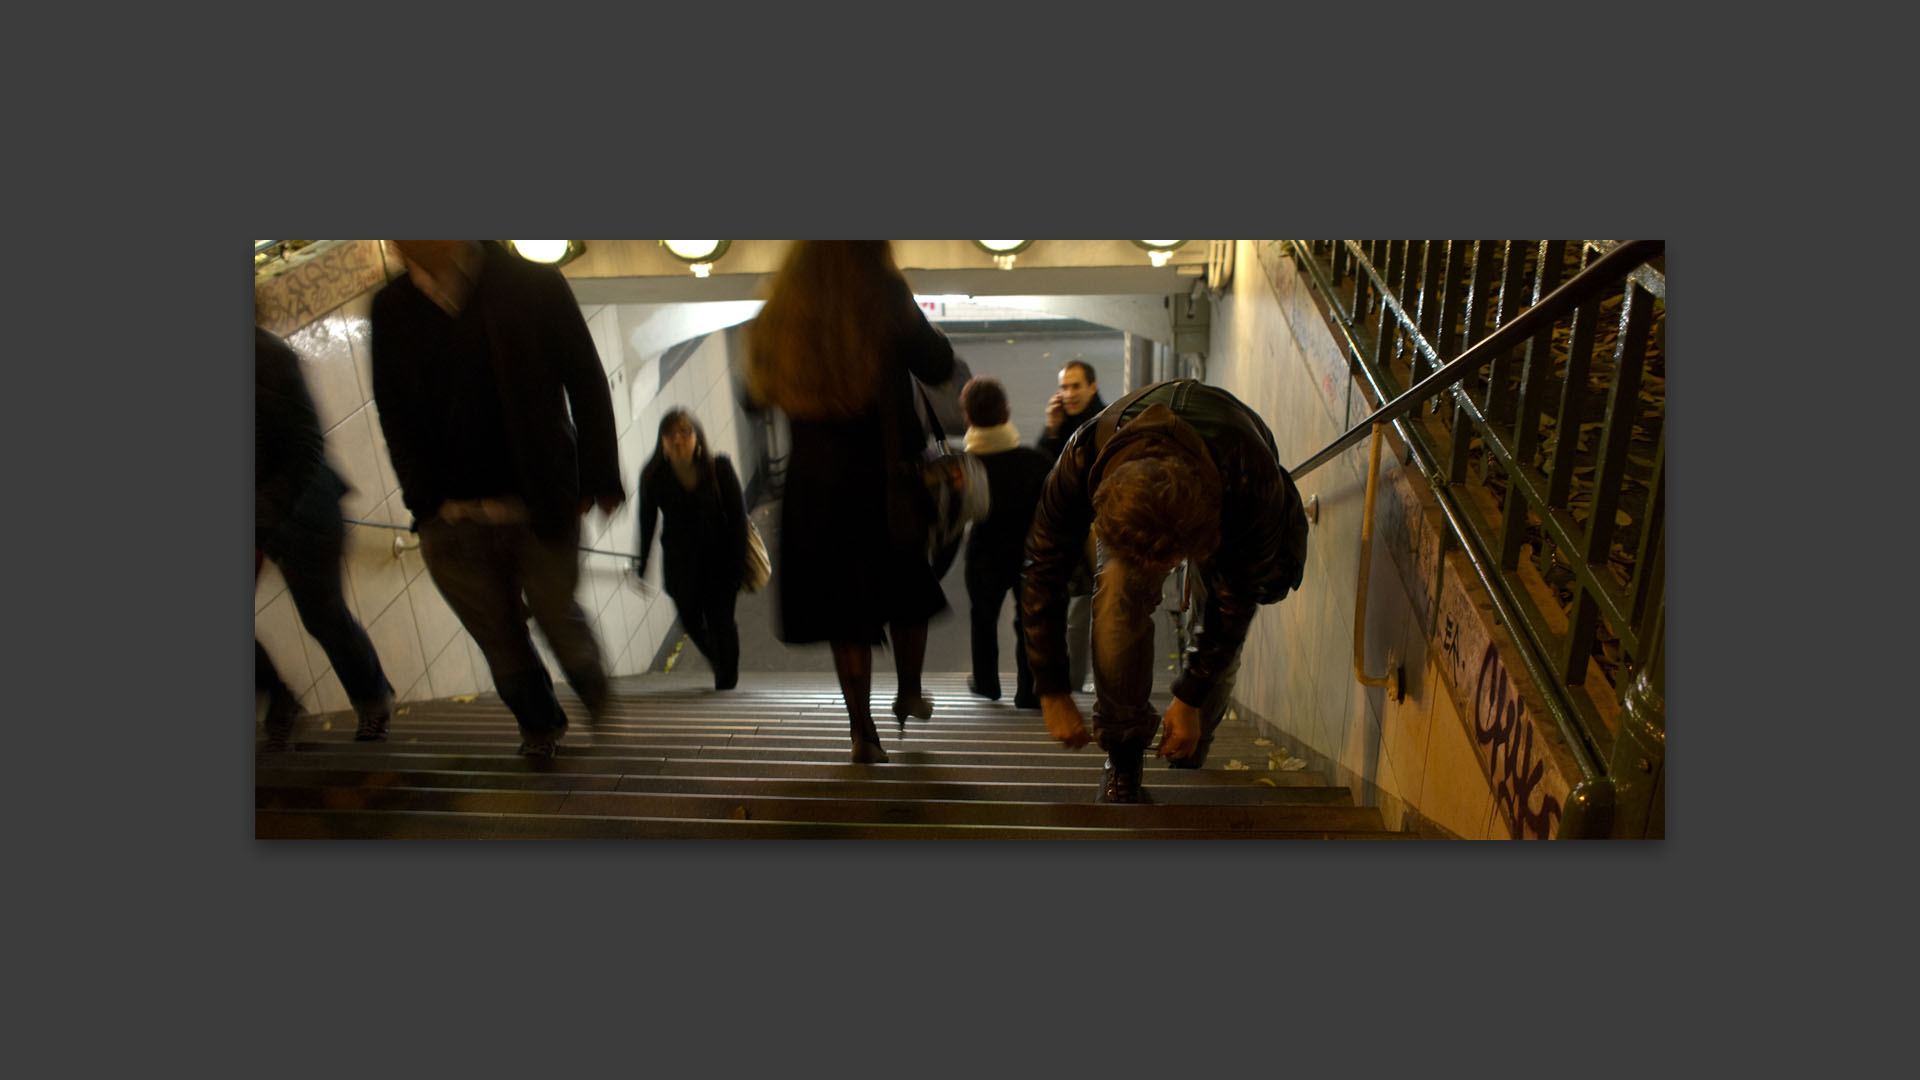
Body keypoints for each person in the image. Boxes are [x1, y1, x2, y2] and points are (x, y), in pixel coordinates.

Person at [370, 240, 625, 759]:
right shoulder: (392, 307)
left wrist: (599, 476)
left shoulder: (531, 283)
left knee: (557, 615)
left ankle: (596, 696)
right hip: (450, 517)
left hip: (538, 502)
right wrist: (422, 498)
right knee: (499, 637)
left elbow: (586, 378)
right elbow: (393, 408)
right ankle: (539, 726)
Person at [1022, 379, 1310, 803]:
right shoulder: (1081, 457)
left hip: (1228, 482)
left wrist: (1191, 698)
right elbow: (1042, 572)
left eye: (1174, 561)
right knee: (1119, 595)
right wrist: (1050, 688)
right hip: (1146, 477)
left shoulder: (1251, 478)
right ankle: (1123, 754)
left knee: (1218, 609)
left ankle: (1191, 747)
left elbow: (1236, 603)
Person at [745, 241, 954, 765]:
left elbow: (754, 395)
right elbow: (937, 364)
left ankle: (862, 734)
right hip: (883, 480)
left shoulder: (783, 301)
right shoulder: (882, 291)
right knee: (906, 591)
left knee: (846, 613)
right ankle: (908, 692)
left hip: (816, 485)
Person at [255, 327, 395, 752]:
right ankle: (279, 698)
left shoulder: (266, 354)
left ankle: (372, 701)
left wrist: (263, 509)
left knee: (324, 617)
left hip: (304, 513)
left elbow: (306, 443)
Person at [632, 409, 748, 691]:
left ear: (698, 438)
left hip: (720, 565)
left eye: (686, 432)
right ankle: (721, 660)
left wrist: (738, 565)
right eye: (672, 434)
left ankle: (726, 681)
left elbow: (738, 520)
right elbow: (647, 522)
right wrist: (642, 563)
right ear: (662, 442)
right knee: (692, 622)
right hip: (681, 566)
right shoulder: (654, 477)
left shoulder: (718, 468)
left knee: (722, 625)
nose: (679, 439)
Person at [957, 377, 1052, 708]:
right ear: (1007, 412)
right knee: (1029, 620)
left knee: (982, 617)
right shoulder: (1035, 461)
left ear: (967, 417)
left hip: (983, 553)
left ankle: (986, 683)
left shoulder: (964, 467)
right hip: (1029, 553)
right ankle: (1029, 690)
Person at [1036, 359, 1106, 693]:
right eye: (1064, 386)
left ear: (1092, 387)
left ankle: (1105, 680)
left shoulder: (1106, 422)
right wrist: (1050, 430)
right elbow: (1043, 476)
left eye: (1075, 386)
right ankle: (1074, 683)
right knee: (1075, 615)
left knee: (1106, 609)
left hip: (1101, 528)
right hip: (1069, 532)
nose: (1069, 393)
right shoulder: (1060, 425)